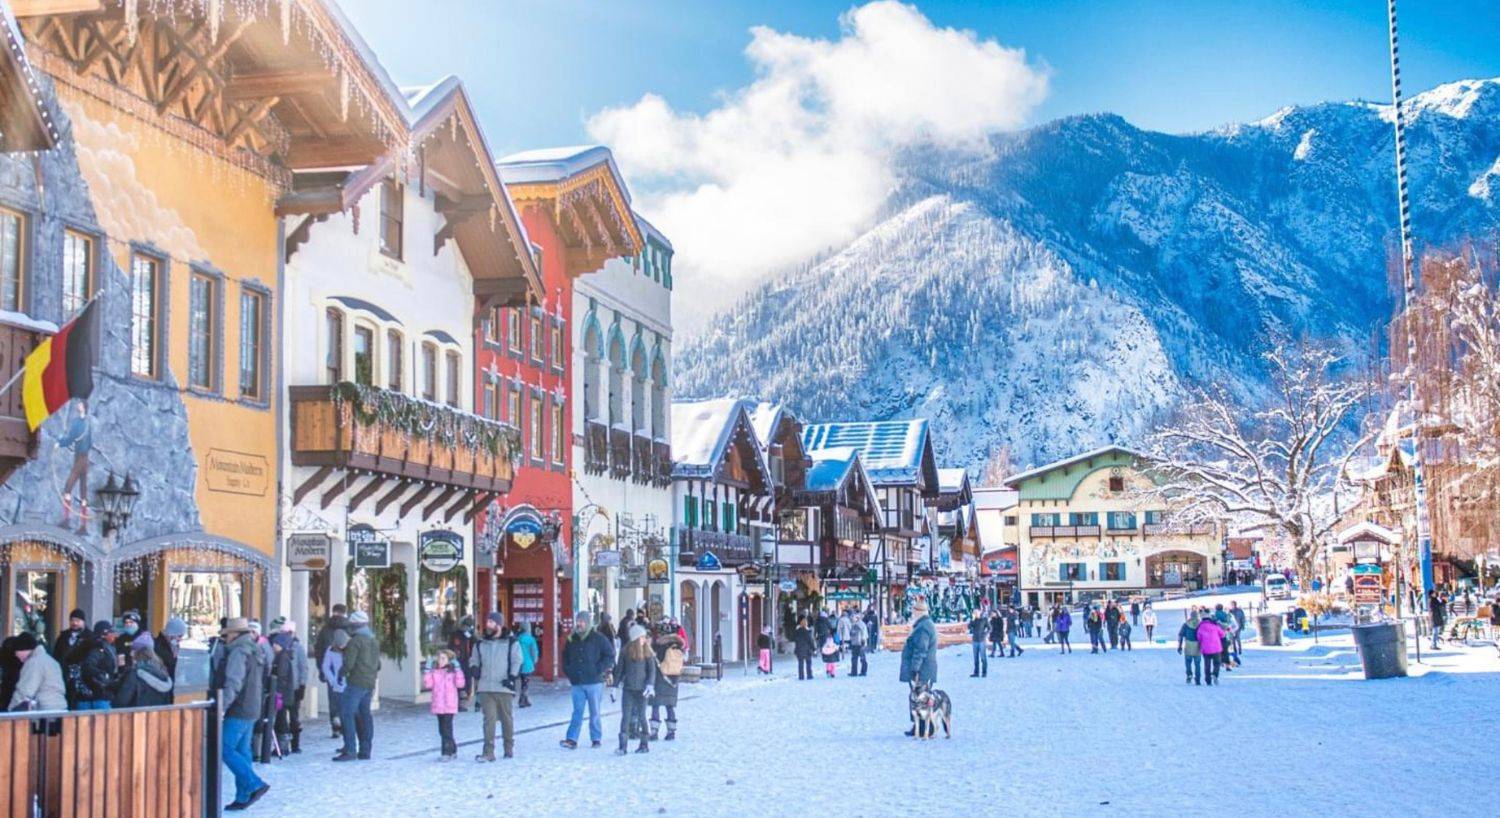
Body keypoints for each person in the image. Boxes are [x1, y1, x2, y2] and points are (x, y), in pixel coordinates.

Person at [218, 618, 270, 811]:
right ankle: (243, 796)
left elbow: (233, 681)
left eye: (227, 634)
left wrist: (223, 706)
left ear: (235, 634)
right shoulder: (255, 649)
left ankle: (254, 783)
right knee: (242, 751)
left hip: (239, 708)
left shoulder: (239, 652)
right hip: (253, 707)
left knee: (224, 747)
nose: (225, 637)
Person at [560, 611, 615, 750]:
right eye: (577, 621)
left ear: (587, 622)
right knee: (577, 711)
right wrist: (568, 671)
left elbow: (610, 655)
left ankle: (596, 738)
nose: (579, 624)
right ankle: (572, 738)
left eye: (582, 621)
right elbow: (565, 656)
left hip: (594, 682)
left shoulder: (598, 638)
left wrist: (599, 669)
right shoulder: (572, 638)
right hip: (577, 682)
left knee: (594, 712)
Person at [472, 612, 521, 761]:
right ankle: (488, 751)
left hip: (504, 687)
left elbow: (517, 660)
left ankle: (508, 747)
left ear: (499, 625)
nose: (488, 625)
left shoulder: (511, 642)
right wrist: (474, 667)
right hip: (486, 687)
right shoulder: (480, 643)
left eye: (491, 622)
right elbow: (474, 659)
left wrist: (512, 678)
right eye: (487, 622)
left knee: (506, 719)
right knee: (489, 720)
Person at [334, 611, 379, 761]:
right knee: (364, 715)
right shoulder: (373, 640)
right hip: (369, 682)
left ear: (355, 624)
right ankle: (365, 750)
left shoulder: (356, 641)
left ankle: (350, 749)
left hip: (356, 683)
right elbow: (378, 664)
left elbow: (349, 664)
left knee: (347, 714)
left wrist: (341, 674)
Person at [613, 624, 657, 755]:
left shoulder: (647, 652)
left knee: (642, 716)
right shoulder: (626, 651)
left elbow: (652, 671)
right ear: (636, 638)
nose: (644, 639)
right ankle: (623, 746)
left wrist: (650, 685)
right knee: (625, 717)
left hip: (642, 690)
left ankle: (644, 744)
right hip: (628, 689)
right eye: (642, 637)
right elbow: (619, 670)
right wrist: (614, 686)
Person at [897, 598, 937, 737]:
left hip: (922, 670)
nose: (912, 613)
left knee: (919, 698)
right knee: (919, 698)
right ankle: (919, 726)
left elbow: (920, 650)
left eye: (914, 611)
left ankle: (925, 727)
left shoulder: (923, 627)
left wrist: (915, 668)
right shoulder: (924, 625)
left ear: (919, 612)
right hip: (925, 668)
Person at [312, 604, 351, 737]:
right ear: (345, 613)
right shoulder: (350, 628)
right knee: (347, 698)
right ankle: (347, 726)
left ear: (333, 612)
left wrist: (322, 670)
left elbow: (318, 650)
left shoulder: (325, 629)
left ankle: (335, 726)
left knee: (333, 698)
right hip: (347, 670)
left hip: (331, 670)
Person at [422, 649, 465, 760]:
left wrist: (458, 670)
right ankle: (453, 749)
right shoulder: (435, 672)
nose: (440, 661)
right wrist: (427, 671)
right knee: (442, 729)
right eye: (439, 658)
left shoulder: (453, 672)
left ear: (449, 660)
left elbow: (460, 684)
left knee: (447, 728)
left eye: (443, 658)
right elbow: (428, 685)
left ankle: (446, 752)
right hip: (438, 704)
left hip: (450, 704)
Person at [8, 633, 66, 711]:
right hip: (60, 708)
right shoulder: (51, 660)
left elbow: (25, 690)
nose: (16, 656)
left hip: (44, 711)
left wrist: (11, 710)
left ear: (23, 649)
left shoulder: (33, 662)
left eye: (16, 652)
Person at [649, 622, 685, 741]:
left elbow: (653, 663)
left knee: (656, 705)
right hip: (673, 680)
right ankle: (671, 731)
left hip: (660, 679)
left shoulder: (659, 646)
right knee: (670, 706)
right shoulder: (678, 646)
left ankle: (654, 732)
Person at [111, 642, 173, 708]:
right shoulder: (164, 674)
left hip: (137, 715)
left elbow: (122, 700)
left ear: (137, 657)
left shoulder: (135, 674)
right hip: (158, 715)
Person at [52, 609, 89, 708]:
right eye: (72, 620)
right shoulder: (63, 637)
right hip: (64, 677)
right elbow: (56, 656)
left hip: (82, 680)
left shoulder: (90, 637)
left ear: (83, 622)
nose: (74, 623)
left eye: (77, 620)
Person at [320, 630, 349, 735]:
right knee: (335, 705)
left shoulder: (350, 649)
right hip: (336, 682)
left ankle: (343, 727)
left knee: (343, 706)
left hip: (347, 682)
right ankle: (336, 727)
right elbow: (325, 666)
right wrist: (332, 681)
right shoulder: (331, 649)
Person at [447, 615, 477, 712]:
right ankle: (458, 701)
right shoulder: (455, 635)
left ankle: (464, 702)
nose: (467, 628)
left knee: (467, 681)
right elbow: (451, 647)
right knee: (458, 681)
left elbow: (475, 645)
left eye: (469, 626)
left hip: (468, 661)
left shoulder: (470, 635)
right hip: (458, 661)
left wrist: (472, 635)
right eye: (466, 625)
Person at [154, 617, 188, 702]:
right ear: (171, 634)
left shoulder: (172, 645)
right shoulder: (158, 647)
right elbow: (168, 665)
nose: (180, 639)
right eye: (179, 636)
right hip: (161, 689)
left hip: (170, 688)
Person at [1196, 612, 1227, 685]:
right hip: (1216, 648)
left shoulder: (1200, 627)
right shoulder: (1215, 626)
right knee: (1217, 663)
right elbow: (1222, 634)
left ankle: (1208, 680)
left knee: (1207, 665)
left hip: (1205, 649)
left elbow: (1198, 638)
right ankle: (1215, 674)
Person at [514, 621, 540, 708]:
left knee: (522, 681)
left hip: (518, 664)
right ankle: (522, 700)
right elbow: (534, 651)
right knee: (525, 683)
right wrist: (535, 661)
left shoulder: (517, 638)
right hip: (527, 664)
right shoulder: (530, 639)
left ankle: (525, 700)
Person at [1177, 609, 1203, 685]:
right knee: (1197, 663)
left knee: (1188, 662)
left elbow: (1180, 635)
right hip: (1198, 646)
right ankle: (1197, 678)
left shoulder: (1186, 624)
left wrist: (1179, 646)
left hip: (1188, 645)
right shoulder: (1201, 624)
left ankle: (1189, 674)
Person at [968, 609, 989, 677]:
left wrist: (985, 634)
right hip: (975, 640)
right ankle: (976, 672)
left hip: (982, 640)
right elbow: (969, 627)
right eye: (974, 613)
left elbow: (989, 628)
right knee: (975, 657)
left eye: (976, 612)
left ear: (979, 612)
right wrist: (972, 620)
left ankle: (984, 672)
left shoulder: (984, 619)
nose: (975, 614)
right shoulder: (974, 620)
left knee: (983, 657)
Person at [793, 615, 815, 681]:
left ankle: (801, 676)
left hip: (799, 649)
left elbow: (795, 640)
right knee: (808, 663)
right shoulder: (807, 631)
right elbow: (810, 640)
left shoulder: (797, 631)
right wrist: (814, 648)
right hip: (807, 649)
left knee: (800, 663)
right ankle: (809, 675)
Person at [848, 612, 869, 677]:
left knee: (862, 658)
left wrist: (863, 640)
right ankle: (854, 672)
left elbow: (864, 633)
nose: (852, 619)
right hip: (855, 643)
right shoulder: (854, 625)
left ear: (857, 618)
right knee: (854, 658)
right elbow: (852, 634)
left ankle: (863, 672)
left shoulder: (861, 624)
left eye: (853, 618)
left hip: (860, 643)